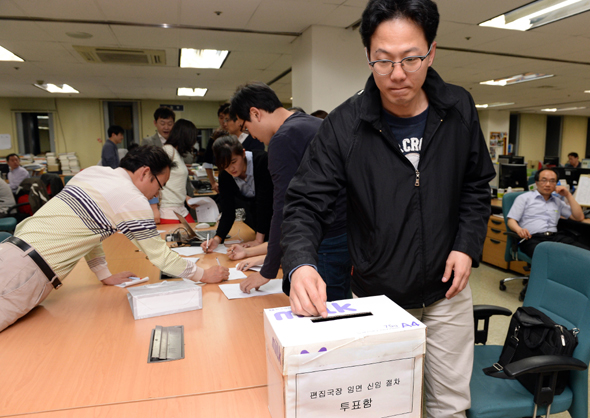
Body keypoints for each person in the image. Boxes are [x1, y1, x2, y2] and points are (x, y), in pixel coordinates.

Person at [279, 1, 496, 417]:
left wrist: (467, 246)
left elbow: (474, 186)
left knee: (449, 406)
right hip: (377, 296)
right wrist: (301, 264)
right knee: (385, 405)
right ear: (368, 57)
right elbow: (305, 202)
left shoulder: (458, 108)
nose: (398, 74)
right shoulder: (345, 124)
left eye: (411, 59)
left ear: (431, 52)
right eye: (384, 61)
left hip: (446, 293)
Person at [0, 145, 228, 332]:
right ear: (145, 172)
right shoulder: (132, 199)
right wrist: (204, 275)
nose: (157, 194)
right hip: (26, 274)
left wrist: (104, 275)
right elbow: (160, 256)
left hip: (11, 251)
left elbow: (89, 232)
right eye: (160, 186)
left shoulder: (92, 173)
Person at [230, 82, 350, 300]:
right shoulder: (312, 123)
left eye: (247, 128)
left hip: (322, 239)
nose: (252, 136)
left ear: (255, 113)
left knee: (322, 311)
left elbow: (283, 209)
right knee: (339, 304)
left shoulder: (283, 139)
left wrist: (267, 271)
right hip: (344, 232)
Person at [201, 136, 273, 253]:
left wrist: (259, 240)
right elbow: (228, 211)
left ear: (243, 153)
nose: (231, 168)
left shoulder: (263, 161)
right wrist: (217, 239)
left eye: (233, 162)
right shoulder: (225, 176)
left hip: (277, 220)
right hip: (258, 226)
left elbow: (264, 203)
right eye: (225, 165)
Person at [507, 168, 588, 258]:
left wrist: (568, 195)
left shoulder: (557, 201)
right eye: (544, 180)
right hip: (532, 238)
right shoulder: (524, 198)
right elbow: (511, 220)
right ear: (537, 182)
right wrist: (519, 230)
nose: (548, 184)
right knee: (551, 258)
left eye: (552, 181)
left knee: (584, 252)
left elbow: (579, 217)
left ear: (556, 184)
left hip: (554, 237)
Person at [159, 119, 199, 224]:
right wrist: (154, 207)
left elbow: (173, 180)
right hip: (168, 208)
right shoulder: (168, 150)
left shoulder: (177, 153)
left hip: (180, 207)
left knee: (194, 234)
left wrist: (185, 197)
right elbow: (154, 178)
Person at [202, 103, 230, 192]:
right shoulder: (214, 137)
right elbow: (207, 161)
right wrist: (213, 182)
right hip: (223, 179)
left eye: (226, 118)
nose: (223, 121)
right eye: (221, 118)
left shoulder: (238, 135)